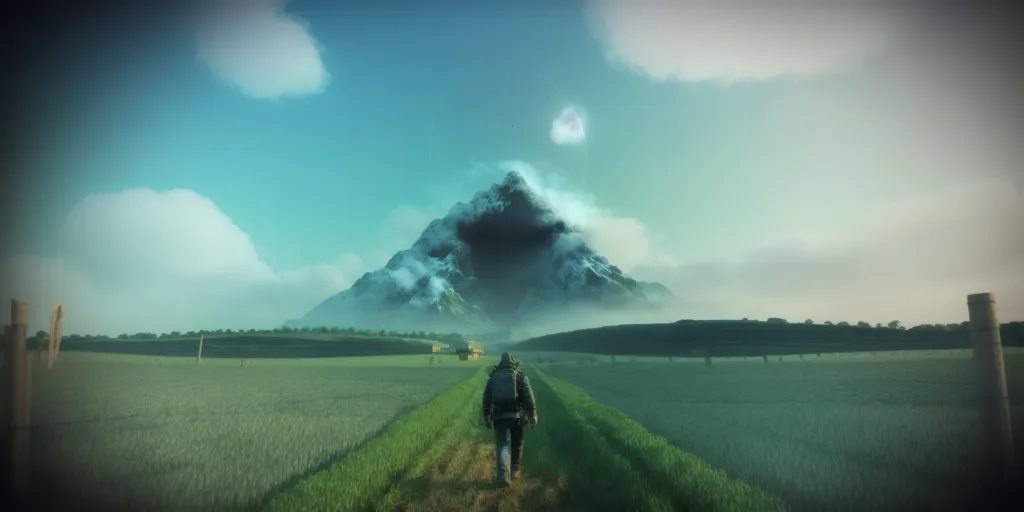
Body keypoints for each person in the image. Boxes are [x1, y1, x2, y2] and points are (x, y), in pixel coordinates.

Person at [481, 352, 537, 487]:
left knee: (502, 445)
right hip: (517, 418)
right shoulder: (520, 376)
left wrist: (486, 416)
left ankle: (503, 475)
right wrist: (533, 414)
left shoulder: (493, 378)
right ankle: (515, 471)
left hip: (499, 418)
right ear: (513, 362)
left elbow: (486, 397)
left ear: (500, 363)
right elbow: (529, 395)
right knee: (517, 443)